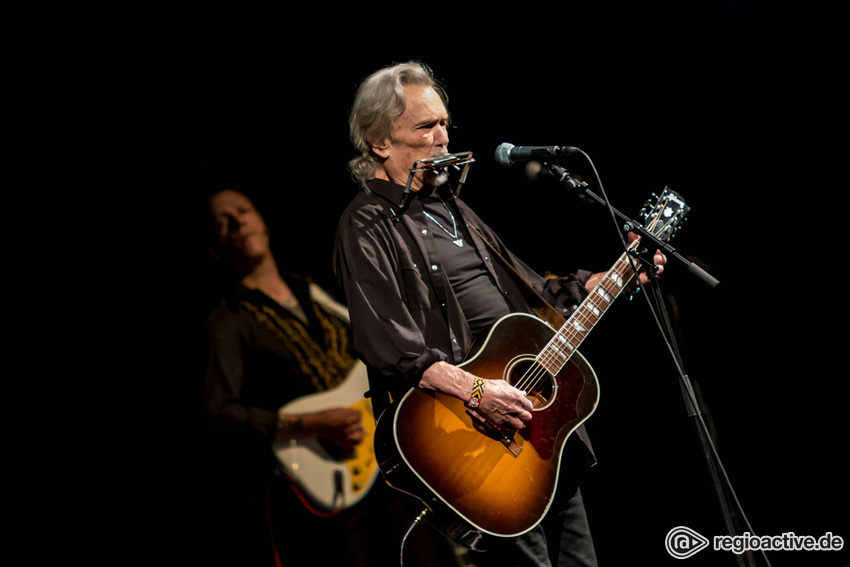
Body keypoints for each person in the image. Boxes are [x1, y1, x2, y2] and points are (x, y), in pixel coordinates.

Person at [333, 61, 667, 567]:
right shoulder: (365, 223)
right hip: (472, 434)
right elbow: (388, 345)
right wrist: (477, 392)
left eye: (445, 123)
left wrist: (600, 282)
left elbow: (531, 297)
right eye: (426, 127)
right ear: (380, 141)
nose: (443, 137)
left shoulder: (455, 210)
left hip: (534, 424)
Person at [201, 187, 462, 567]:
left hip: (388, 464)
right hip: (326, 483)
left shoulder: (317, 288)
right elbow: (221, 412)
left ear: (261, 219)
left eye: (243, 210)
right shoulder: (228, 320)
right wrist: (311, 423)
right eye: (223, 222)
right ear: (215, 245)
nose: (237, 221)